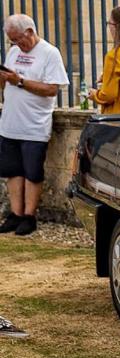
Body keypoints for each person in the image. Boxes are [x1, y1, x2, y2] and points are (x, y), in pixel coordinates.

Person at [0, 14, 70, 236]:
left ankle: (30, 215)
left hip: (34, 125)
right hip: (11, 121)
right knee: (12, 171)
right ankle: (16, 213)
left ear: (30, 32)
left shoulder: (50, 53)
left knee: (32, 172)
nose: (16, 45)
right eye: (12, 41)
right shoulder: (13, 52)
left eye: (19, 39)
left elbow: (52, 89)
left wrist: (19, 81)